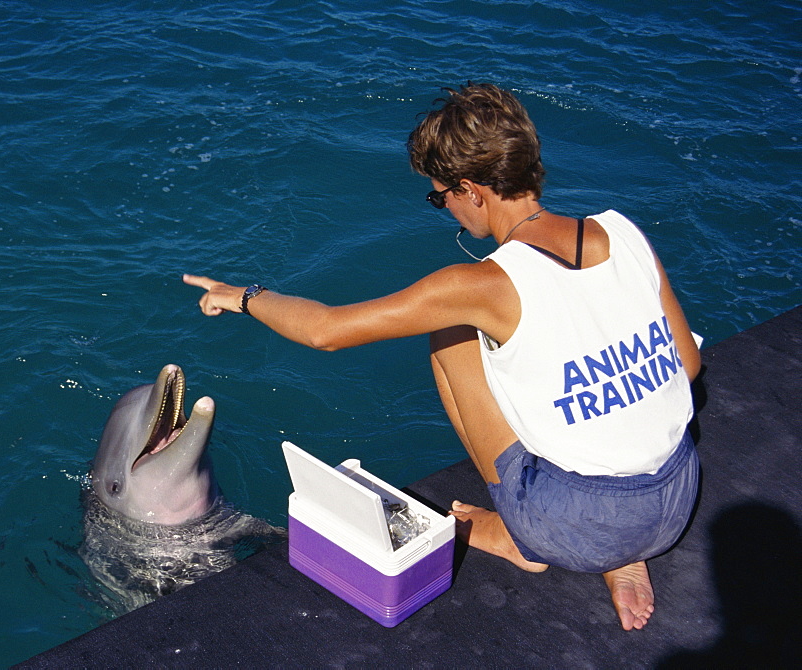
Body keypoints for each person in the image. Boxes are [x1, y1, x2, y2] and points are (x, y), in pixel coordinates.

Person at [183, 82, 701, 631]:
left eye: (440, 196)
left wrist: (242, 297)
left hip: (574, 524)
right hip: (674, 497)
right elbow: (688, 365)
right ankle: (619, 556)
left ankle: (515, 533)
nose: (446, 210)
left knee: (452, 334)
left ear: (472, 190)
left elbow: (327, 331)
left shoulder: (478, 286)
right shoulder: (621, 232)